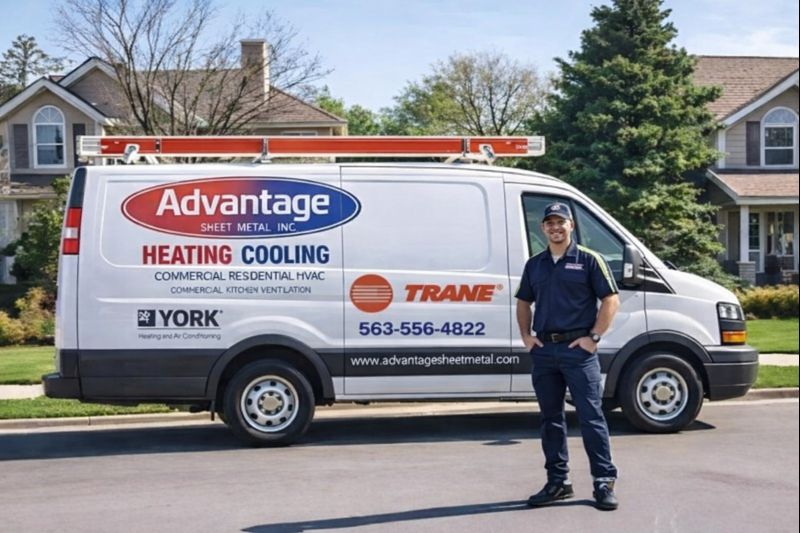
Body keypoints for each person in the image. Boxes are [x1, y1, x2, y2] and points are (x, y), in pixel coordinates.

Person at [515, 201, 621, 511]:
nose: (555, 227)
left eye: (561, 222)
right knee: (551, 421)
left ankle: (604, 482)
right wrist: (526, 336)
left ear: (571, 225)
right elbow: (523, 301)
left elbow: (610, 300)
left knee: (591, 417)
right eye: (550, 223)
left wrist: (594, 337)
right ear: (543, 228)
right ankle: (558, 482)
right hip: (546, 352)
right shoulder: (535, 265)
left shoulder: (589, 260)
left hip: (579, 351)